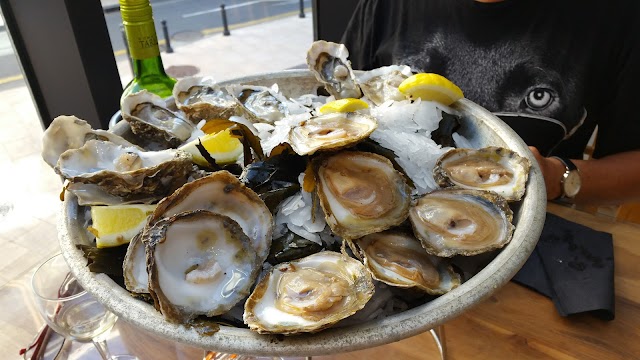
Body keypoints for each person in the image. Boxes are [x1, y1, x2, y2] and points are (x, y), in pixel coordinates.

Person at [341, 0, 640, 206]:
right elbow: (340, 107)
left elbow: (633, 166)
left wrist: (555, 178)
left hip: (536, 238)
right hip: (383, 210)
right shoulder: (386, 5)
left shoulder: (618, 16)